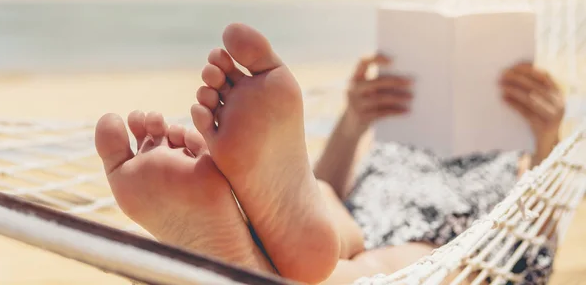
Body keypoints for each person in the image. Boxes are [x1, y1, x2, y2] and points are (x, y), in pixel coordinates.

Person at [94, 23, 564, 285]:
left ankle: (246, 260)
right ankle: (254, 253)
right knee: (322, 202)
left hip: (453, 247)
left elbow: (535, 245)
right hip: (353, 226)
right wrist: (355, 119)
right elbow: (318, 187)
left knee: (375, 260)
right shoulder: (394, 141)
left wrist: (547, 138)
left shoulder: (511, 157)